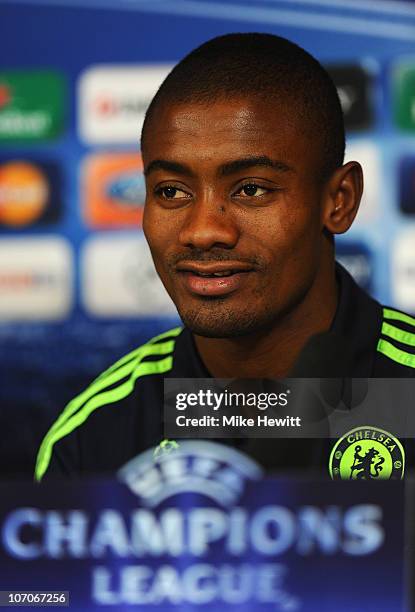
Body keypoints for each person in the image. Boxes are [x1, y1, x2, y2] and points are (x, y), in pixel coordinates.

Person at [35, 33, 415, 482]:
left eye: (251, 189)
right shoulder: (91, 438)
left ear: (339, 200)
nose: (202, 231)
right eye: (171, 192)